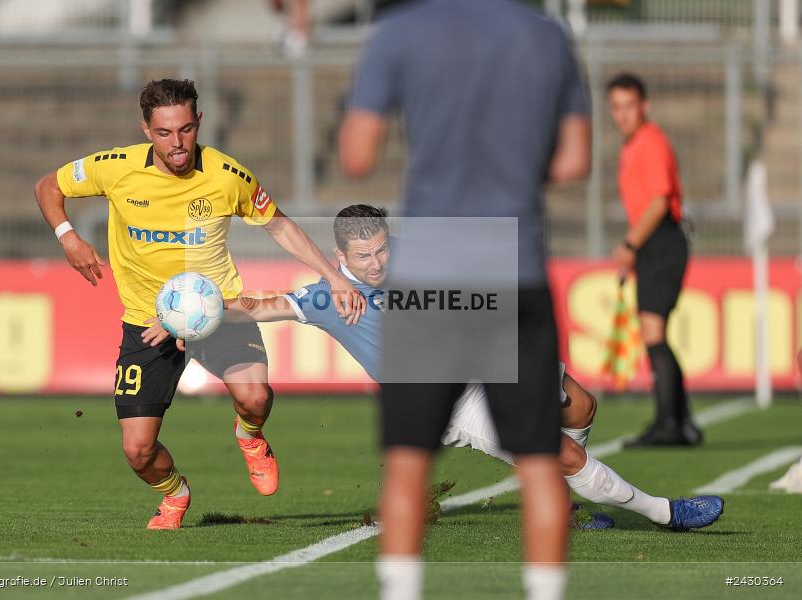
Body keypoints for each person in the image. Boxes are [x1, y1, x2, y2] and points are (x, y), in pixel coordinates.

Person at [221, 204, 725, 533]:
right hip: (450, 403)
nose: (377, 263)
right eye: (363, 256)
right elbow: (261, 307)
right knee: (563, 452)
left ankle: (564, 501)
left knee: (582, 406)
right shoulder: (326, 298)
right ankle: (665, 513)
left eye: (382, 249)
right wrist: (200, 316)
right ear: (340, 256)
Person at [338, 1, 591, 598]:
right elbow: (574, 160)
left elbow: (356, 156)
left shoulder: (399, 32)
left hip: (431, 275)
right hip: (515, 267)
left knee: (408, 461)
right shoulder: (546, 35)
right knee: (537, 462)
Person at [34, 78, 364, 530]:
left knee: (255, 398)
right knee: (137, 450)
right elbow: (47, 187)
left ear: (199, 122)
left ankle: (249, 436)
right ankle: (175, 494)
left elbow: (281, 226)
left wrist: (332, 276)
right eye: (165, 132)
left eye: (186, 130)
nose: (178, 143)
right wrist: (67, 236)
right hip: (148, 323)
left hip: (218, 311)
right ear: (146, 129)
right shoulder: (114, 168)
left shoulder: (228, 176)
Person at [607, 73, 701, 447]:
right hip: (653, 243)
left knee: (654, 333)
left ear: (644, 106)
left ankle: (669, 424)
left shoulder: (651, 143)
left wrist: (630, 245)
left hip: (661, 240)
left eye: (629, 106)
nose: (623, 114)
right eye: (616, 107)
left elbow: (660, 202)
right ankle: (681, 421)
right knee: (655, 334)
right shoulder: (633, 146)